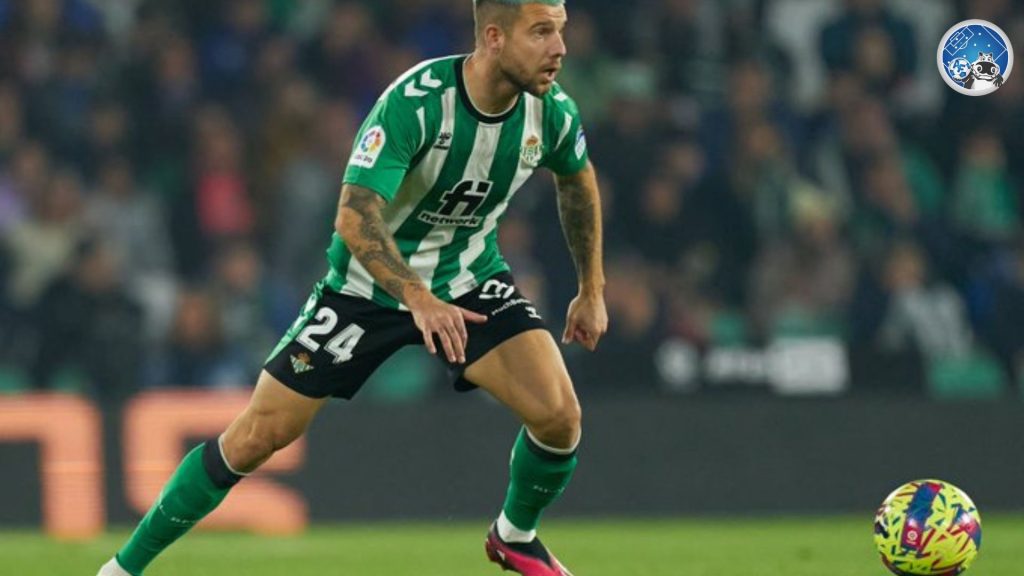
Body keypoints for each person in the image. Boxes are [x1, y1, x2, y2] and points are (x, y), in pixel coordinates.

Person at [97, 1, 606, 575]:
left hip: (469, 278)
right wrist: (415, 296)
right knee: (257, 437)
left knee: (560, 416)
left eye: (559, 32)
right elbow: (355, 217)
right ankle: (120, 570)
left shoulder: (552, 113)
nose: (559, 48)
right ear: (493, 37)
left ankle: (514, 536)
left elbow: (576, 183)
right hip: (367, 289)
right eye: (541, 32)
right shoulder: (417, 104)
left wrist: (591, 287)